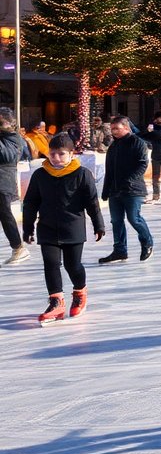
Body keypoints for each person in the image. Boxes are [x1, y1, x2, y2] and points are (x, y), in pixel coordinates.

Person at [24, 134, 105, 325]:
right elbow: (30, 203)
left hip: (73, 227)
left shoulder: (82, 174)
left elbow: (92, 202)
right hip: (47, 227)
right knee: (51, 263)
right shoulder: (40, 175)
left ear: (71, 154)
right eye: (53, 154)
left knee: (72, 265)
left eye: (61, 154)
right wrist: (28, 227)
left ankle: (79, 292)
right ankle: (56, 302)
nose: (56, 158)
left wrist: (98, 224)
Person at [99, 116, 154, 264]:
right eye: (112, 129)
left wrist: (129, 180)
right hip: (115, 191)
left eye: (116, 128)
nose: (113, 132)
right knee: (116, 221)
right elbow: (109, 170)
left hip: (133, 190)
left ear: (126, 127)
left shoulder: (137, 143)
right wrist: (106, 190)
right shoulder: (113, 147)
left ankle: (147, 242)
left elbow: (143, 164)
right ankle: (120, 250)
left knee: (133, 218)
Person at [0, 108, 30, 266]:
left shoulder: (15, 138)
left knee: (5, 215)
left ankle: (18, 248)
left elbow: (7, 156)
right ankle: (17, 247)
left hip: (3, 182)